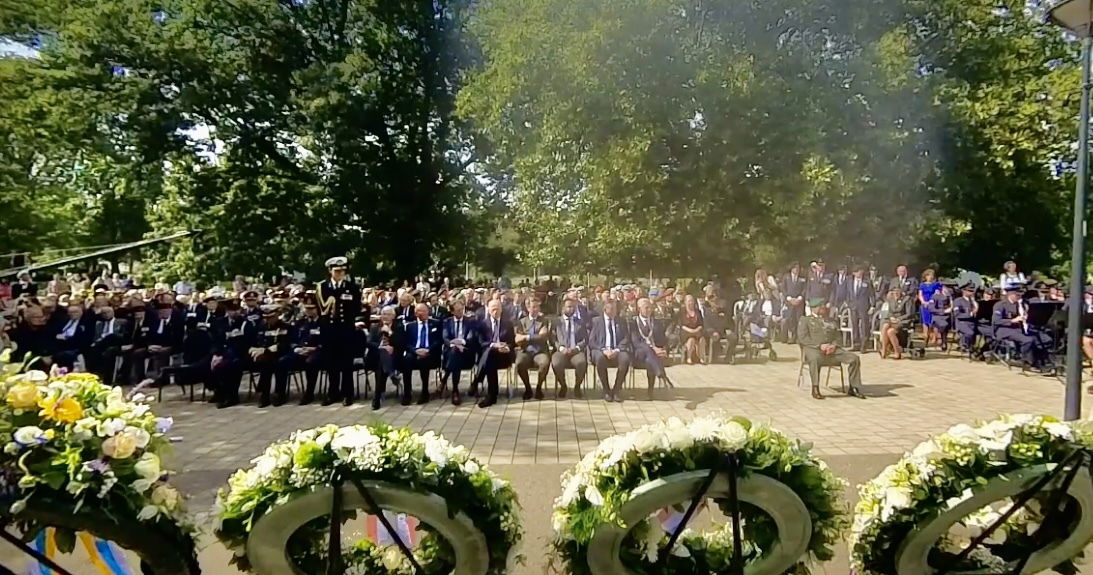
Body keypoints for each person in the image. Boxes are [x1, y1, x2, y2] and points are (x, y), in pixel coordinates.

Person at [797, 298, 866, 400]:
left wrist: (834, 345)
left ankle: (854, 387)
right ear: (814, 309)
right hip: (814, 349)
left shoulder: (831, 320)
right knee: (815, 358)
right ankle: (815, 388)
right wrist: (819, 346)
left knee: (854, 358)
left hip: (832, 350)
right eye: (821, 306)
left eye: (823, 306)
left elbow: (838, 336)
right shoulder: (805, 320)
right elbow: (802, 338)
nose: (823, 308)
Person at [315, 256, 362, 406]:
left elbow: (356, 308)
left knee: (346, 364)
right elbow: (321, 309)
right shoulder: (322, 287)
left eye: (342, 271)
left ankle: (348, 394)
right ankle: (332, 393)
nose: (340, 273)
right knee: (331, 364)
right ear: (330, 271)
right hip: (329, 331)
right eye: (337, 271)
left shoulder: (352, 287)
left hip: (346, 331)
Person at [471, 299, 515, 408]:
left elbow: (512, 342)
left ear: (501, 310)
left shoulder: (508, 324)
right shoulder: (482, 324)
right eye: (493, 309)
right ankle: (492, 395)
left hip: (503, 356)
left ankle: (477, 380)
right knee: (490, 354)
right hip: (489, 356)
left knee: (489, 357)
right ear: (489, 310)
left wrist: (507, 348)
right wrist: (494, 346)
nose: (495, 311)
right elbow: (481, 343)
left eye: (497, 309)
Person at [210, 300, 254, 408]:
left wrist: (224, 355)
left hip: (240, 355)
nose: (234, 313)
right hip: (221, 353)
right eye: (231, 310)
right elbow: (215, 340)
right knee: (207, 363)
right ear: (227, 311)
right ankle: (218, 391)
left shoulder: (245, 323)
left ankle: (231, 396)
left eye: (236, 310)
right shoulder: (219, 322)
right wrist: (217, 354)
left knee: (231, 365)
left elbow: (246, 343)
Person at [249, 305, 295, 407]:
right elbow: (256, 343)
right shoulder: (261, 327)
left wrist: (266, 350)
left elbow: (285, 345)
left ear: (277, 315)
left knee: (280, 363)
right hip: (265, 356)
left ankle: (279, 394)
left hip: (280, 354)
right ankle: (264, 395)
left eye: (271, 317)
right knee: (265, 364)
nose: (268, 320)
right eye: (266, 318)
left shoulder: (285, 327)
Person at [588, 299, 632, 402]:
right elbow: (592, 341)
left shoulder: (621, 321)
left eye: (615, 309)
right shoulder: (596, 321)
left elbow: (626, 338)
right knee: (599, 358)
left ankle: (616, 390)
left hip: (617, 350)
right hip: (601, 350)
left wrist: (616, 350)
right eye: (612, 309)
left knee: (625, 359)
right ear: (605, 309)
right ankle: (606, 390)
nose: (614, 311)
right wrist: (604, 350)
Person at [400, 303, 442, 405]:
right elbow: (406, 343)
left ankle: (424, 392)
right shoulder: (410, 326)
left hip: (430, 353)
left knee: (424, 360)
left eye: (425, 311)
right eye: (420, 311)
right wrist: (415, 351)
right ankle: (407, 393)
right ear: (415, 313)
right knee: (406, 360)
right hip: (414, 351)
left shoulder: (435, 324)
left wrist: (428, 350)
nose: (423, 313)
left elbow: (439, 340)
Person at [992, 286, 1040, 370]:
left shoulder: (1019, 305)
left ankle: (1036, 361)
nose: (1019, 297)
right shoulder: (1000, 305)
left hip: (1017, 329)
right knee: (1027, 340)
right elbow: (996, 321)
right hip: (1004, 330)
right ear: (1010, 294)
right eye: (1017, 295)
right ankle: (1024, 361)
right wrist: (1012, 321)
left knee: (1037, 339)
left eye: (1020, 295)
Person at [630, 297, 670, 398]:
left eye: (650, 308)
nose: (649, 310)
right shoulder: (633, 323)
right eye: (646, 308)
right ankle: (661, 375)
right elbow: (635, 342)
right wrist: (653, 349)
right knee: (648, 353)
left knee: (649, 360)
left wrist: (663, 349)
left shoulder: (656, 323)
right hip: (639, 354)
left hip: (653, 356)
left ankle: (650, 391)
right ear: (639, 309)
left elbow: (663, 340)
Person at [551, 298, 588, 399]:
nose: (571, 309)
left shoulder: (580, 322)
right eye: (569, 307)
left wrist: (576, 348)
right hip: (561, 351)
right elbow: (553, 339)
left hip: (575, 351)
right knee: (556, 363)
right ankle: (563, 386)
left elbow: (585, 339)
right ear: (563, 308)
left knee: (581, 362)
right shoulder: (556, 322)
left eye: (573, 307)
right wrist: (561, 348)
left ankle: (577, 386)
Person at [515, 297, 551, 399]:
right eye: (533, 307)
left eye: (537, 307)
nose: (536, 309)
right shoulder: (521, 322)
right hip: (525, 351)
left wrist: (526, 337)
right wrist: (535, 336)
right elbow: (517, 339)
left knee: (545, 363)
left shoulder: (544, 321)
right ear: (527, 308)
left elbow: (543, 336)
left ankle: (539, 387)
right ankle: (528, 388)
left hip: (540, 351)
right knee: (519, 363)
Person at [441, 299, 476, 405]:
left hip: (466, 354)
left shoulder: (470, 321)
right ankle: (455, 390)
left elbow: (471, 337)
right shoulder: (447, 322)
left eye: (462, 309)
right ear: (452, 312)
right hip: (452, 354)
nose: (461, 312)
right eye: (458, 310)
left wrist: (461, 342)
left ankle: (446, 381)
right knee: (455, 352)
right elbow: (445, 338)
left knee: (455, 354)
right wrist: (455, 345)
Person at [290, 296, 325, 405]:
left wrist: (315, 348)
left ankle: (309, 393)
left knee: (311, 363)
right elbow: (293, 339)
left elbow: (327, 341)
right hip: (301, 351)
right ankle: (278, 393)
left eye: (312, 308)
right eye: (307, 308)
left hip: (319, 352)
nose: (309, 311)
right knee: (282, 361)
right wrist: (297, 348)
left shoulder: (324, 322)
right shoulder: (300, 322)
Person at [368, 306, 403, 410]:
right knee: (382, 353)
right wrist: (381, 347)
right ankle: (392, 375)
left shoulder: (399, 327)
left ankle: (377, 397)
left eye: (388, 314)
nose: (386, 317)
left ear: (393, 316)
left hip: (393, 357)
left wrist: (390, 334)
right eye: (384, 314)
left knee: (381, 369)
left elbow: (401, 343)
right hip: (375, 357)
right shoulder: (375, 327)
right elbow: (369, 342)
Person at [88, 305, 127, 385]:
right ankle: (98, 375)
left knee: (110, 337)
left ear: (113, 312)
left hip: (117, 343)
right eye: (104, 313)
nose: (106, 314)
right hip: (104, 346)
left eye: (108, 312)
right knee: (103, 352)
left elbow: (125, 336)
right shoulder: (99, 324)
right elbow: (96, 337)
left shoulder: (122, 322)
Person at [878, 286, 915, 359]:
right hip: (892, 320)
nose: (896, 293)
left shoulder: (907, 299)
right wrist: (891, 318)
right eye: (894, 291)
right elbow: (890, 312)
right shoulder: (891, 300)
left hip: (903, 321)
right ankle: (884, 350)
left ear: (901, 291)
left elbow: (909, 314)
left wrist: (898, 319)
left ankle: (897, 352)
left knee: (890, 331)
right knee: (885, 326)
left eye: (898, 291)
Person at [52, 302, 90, 370]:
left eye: (76, 312)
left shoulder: (86, 323)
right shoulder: (63, 321)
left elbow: (84, 339)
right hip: (59, 345)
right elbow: (55, 333)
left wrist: (66, 339)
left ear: (81, 312)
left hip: (75, 347)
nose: (73, 314)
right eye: (71, 312)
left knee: (64, 355)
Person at [846, 266, 874, 353]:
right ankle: (856, 344)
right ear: (854, 273)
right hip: (853, 306)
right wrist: (848, 303)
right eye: (857, 272)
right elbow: (848, 293)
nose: (859, 273)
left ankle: (864, 345)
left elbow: (872, 294)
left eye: (860, 271)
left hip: (864, 306)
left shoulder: (867, 281)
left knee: (864, 325)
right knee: (855, 325)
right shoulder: (849, 281)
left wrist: (872, 306)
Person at [781, 262, 806, 343]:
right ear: (792, 269)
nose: (797, 270)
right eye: (795, 268)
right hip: (789, 302)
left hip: (799, 302)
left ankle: (798, 337)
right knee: (791, 319)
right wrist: (789, 298)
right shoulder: (786, 277)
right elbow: (783, 289)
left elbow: (805, 289)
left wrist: (799, 298)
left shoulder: (802, 278)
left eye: (798, 268)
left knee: (799, 319)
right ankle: (792, 336)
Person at [927, 280, 955, 351]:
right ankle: (943, 341)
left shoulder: (951, 297)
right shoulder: (936, 296)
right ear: (943, 288)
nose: (949, 290)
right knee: (944, 324)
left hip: (949, 317)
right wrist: (943, 311)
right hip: (938, 317)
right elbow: (931, 308)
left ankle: (944, 340)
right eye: (947, 288)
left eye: (950, 288)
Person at [678, 294, 704, 364]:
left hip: (697, 330)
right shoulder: (682, 311)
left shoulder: (698, 311)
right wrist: (691, 331)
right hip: (686, 331)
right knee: (691, 339)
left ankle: (701, 358)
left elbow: (701, 324)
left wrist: (696, 330)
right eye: (689, 301)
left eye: (692, 301)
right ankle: (689, 358)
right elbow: (681, 325)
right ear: (685, 302)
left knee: (701, 339)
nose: (691, 303)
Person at [953, 283, 979, 353]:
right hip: (962, 323)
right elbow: (957, 314)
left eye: (972, 291)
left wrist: (974, 303)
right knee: (970, 333)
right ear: (964, 291)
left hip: (973, 323)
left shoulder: (974, 301)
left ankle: (976, 347)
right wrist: (970, 314)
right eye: (969, 291)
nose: (971, 292)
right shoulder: (958, 301)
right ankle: (965, 346)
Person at [918, 269, 941, 343]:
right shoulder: (922, 285)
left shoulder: (936, 284)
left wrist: (931, 301)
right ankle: (925, 335)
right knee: (925, 320)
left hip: (933, 303)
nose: (930, 277)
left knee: (933, 321)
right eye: (928, 275)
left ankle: (934, 336)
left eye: (932, 275)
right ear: (925, 276)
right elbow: (920, 294)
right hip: (924, 304)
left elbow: (937, 293)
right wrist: (923, 301)